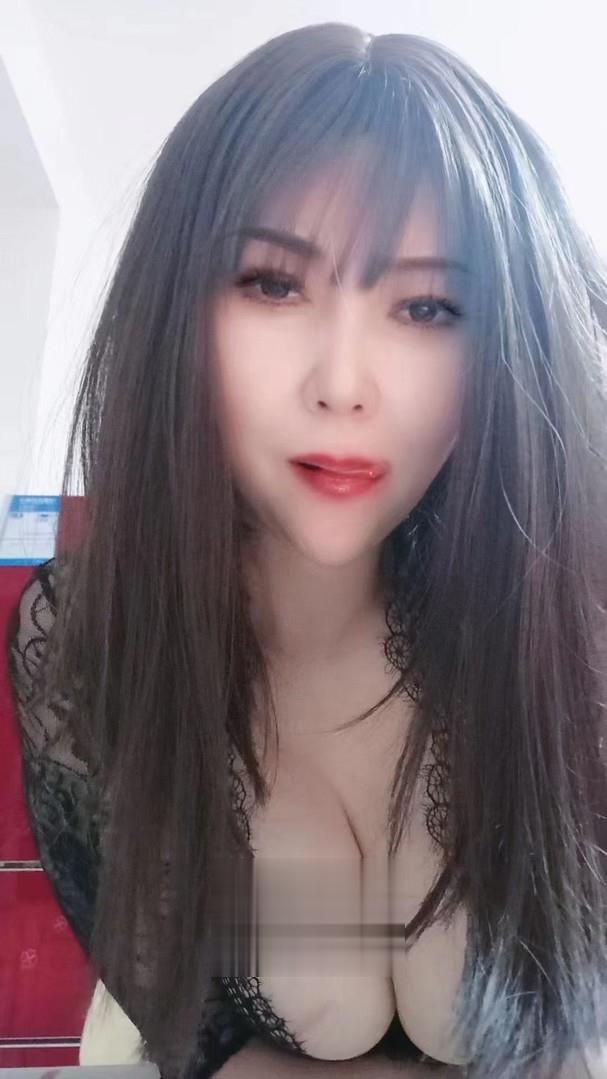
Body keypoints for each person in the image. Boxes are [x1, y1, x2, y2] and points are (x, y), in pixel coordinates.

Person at [5, 20, 607, 1079]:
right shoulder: (92, 641)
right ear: (176, 311)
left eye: (427, 305)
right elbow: (192, 1029)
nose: (342, 382)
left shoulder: (571, 622)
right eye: (274, 284)